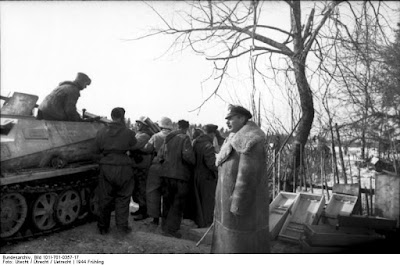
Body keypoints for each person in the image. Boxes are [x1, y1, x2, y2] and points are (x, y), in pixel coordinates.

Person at [211, 104, 270, 253]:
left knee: (239, 246)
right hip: (226, 207)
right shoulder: (233, 138)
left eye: (230, 118)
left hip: (240, 210)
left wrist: (237, 205)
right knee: (227, 243)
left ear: (242, 118)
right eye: (226, 119)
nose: (227, 122)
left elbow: (248, 177)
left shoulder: (250, 140)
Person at [95, 107, 137, 235]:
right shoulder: (129, 132)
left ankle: (103, 227)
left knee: (105, 198)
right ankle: (122, 228)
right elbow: (134, 146)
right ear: (123, 117)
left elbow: (97, 149)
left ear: (111, 116)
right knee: (123, 198)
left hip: (106, 166)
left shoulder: (101, 132)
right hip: (124, 167)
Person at [159, 119, 195, 238]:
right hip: (180, 175)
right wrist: (194, 162)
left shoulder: (168, 138)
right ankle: (172, 229)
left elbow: (161, 155)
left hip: (165, 174)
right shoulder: (185, 138)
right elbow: (187, 156)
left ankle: (164, 226)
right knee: (177, 203)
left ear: (177, 126)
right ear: (186, 128)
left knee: (167, 202)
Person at [142, 117, 173, 226]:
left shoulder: (156, 136)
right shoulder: (176, 137)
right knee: (167, 194)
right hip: (170, 168)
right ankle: (166, 220)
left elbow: (147, 149)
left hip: (157, 166)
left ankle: (155, 219)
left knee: (153, 192)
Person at [192, 124, 218, 228]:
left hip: (196, 175)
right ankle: (206, 224)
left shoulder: (196, 143)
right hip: (207, 177)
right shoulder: (208, 146)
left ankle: (200, 223)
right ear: (212, 134)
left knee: (199, 201)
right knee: (207, 202)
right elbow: (211, 164)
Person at [130, 116, 153, 221]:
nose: (137, 125)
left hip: (142, 167)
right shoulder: (140, 134)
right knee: (137, 189)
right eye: (137, 123)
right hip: (137, 166)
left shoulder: (145, 135)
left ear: (144, 125)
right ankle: (141, 208)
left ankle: (144, 211)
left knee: (141, 189)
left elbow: (134, 145)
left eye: (140, 123)